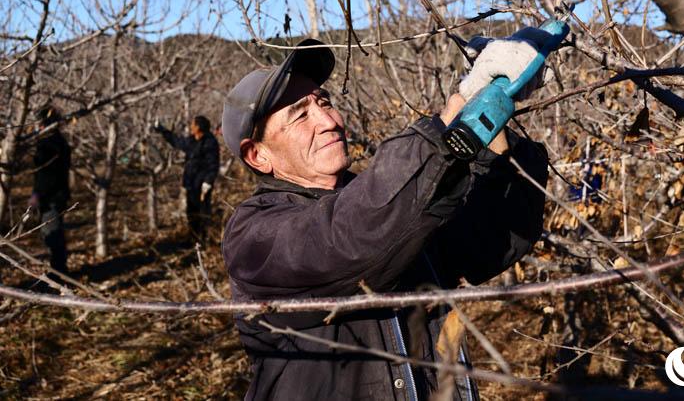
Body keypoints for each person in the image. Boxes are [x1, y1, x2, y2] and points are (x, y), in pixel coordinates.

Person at [220, 36, 551, 400]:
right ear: (258, 156)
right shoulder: (254, 235)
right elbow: (349, 237)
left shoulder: (397, 202)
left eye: (325, 102)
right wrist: (452, 122)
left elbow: (486, 243)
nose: (329, 120)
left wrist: (490, 106)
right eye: (300, 114)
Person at [153, 115, 220, 241]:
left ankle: (204, 239)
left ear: (199, 127)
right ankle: (193, 239)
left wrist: (208, 181)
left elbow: (213, 164)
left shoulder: (210, 142)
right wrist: (162, 130)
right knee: (191, 212)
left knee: (203, 212)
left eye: (193, 125)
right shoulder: (192, 140)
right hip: (191, 183)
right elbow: (177, 141)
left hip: (202, 186)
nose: (191, 127)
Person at [29, 105, 72, 278]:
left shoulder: (49, 144)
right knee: (53, 235)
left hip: (52, 197)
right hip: (57, 194)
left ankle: (58, 276)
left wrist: (37, 195)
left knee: (53, 236)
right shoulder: (59, 141)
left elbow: (46, 175)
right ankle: (58, 273)